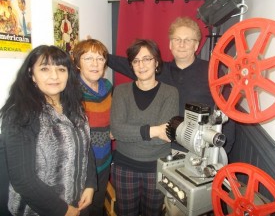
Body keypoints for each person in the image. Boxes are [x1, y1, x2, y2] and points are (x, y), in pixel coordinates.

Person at [107, 16, 235, 154]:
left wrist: (220, 149)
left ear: (196, 45)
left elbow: (227, 110)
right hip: (163, 148)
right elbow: (127, 64)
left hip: (200, 150)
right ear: (170, 44)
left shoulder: (212, 71)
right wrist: (100, 55)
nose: (181, 44)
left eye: (188, 40)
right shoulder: (158, 70)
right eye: (177, 39)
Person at [0, 45, 97, 216]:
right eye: (45, 68)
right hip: (38, 210)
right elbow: (23, 180)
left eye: (61, 69)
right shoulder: (20, 114)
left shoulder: (74, 108)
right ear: (32, 74)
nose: (54, 76)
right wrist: (64, 210)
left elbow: (85, 148)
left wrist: (90, 184)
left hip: (77, 202)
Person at [110, 39, 179, 216]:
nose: (141, 65)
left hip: (156, 169)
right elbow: (117, 130)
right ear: (131, 65)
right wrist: (154, 131)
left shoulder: (170, 93)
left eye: (147, 59)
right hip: (124, 167)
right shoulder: (120, 91)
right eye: (136, 60)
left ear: (156, 62)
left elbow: (166, 135)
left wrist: (131, 133)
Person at [72, 39, 113, 216]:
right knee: (82, 211)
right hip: (81, 168)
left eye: (100, 58)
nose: (95, 64)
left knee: (97, 208)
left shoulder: (108, 86)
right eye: (88, 58)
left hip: (104, 162)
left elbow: (113, 117)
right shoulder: (70, 91)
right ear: (77, 63)